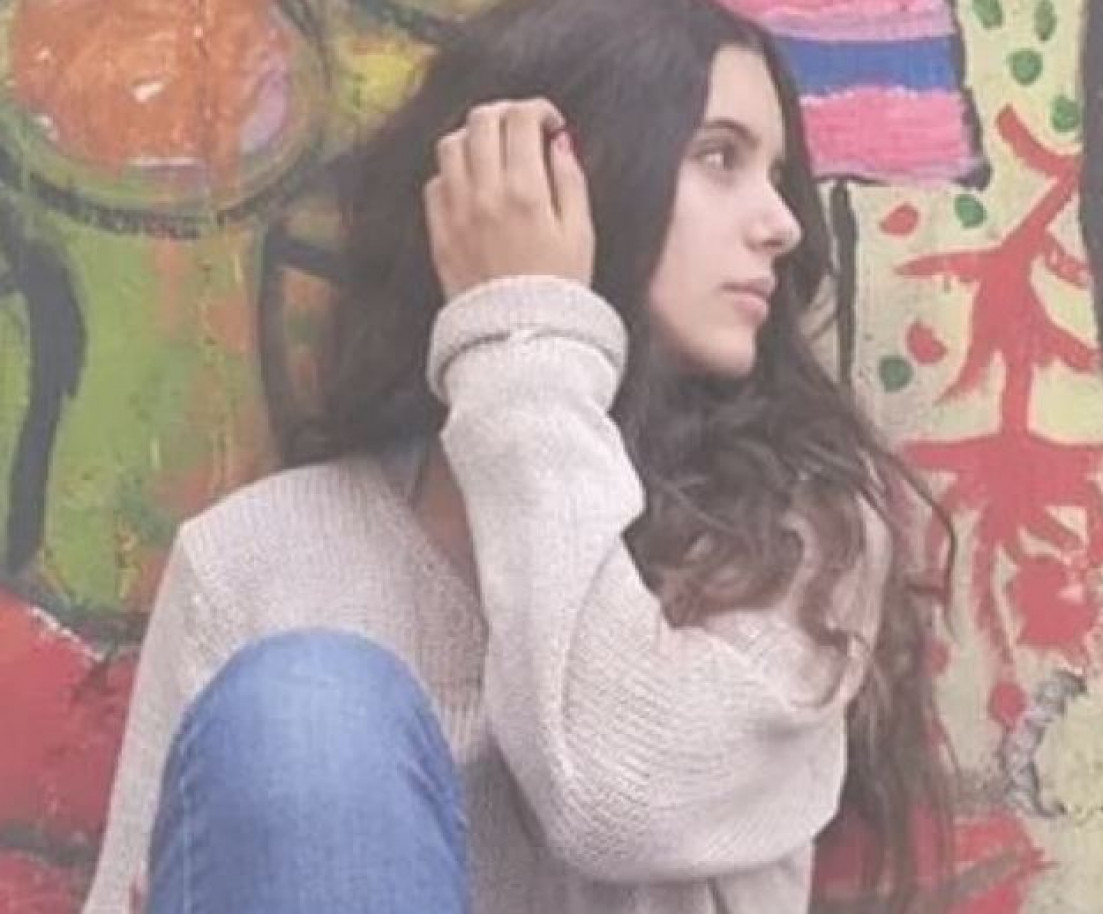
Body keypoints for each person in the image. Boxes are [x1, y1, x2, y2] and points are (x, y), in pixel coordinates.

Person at [84, 0, 953, 911]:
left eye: (774, 174)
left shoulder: (792, 545)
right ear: (550, 179)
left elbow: (612, 793)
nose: (782, 223)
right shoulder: (257, 556)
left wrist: (524, 333)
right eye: (718, 158)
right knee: (308, 707)